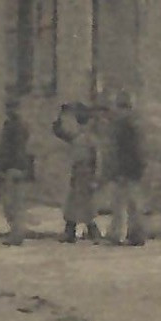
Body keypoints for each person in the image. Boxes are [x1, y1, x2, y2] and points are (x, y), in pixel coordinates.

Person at [53, 104, 102, 243]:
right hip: (78, 173)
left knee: (84, 205)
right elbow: (61, 133)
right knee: (73, 203)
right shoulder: (79, 137)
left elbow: (97, 159)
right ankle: (71, 231)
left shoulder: (90, 139)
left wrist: (95, 177)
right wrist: (58, 119)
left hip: (86, 173)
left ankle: (92, 232)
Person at [105, 90, 147, 246]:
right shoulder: (133, 125)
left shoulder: (125, 127)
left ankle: (121, 234)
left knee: (122, 203)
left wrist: (121, 171)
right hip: (131, 171)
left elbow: (127, 152)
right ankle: (133, 234)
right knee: (130, 203)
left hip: (126, 171)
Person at [0, 101, 33, 246]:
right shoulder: (20, 126)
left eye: (11, 107)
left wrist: (6, 168)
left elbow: (13, 150)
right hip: (16, 168)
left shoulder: (14, 127)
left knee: (11, 204)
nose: (9, 110)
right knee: (13, 204)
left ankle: (16, 234)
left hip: (13, 168)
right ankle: (17, 232)